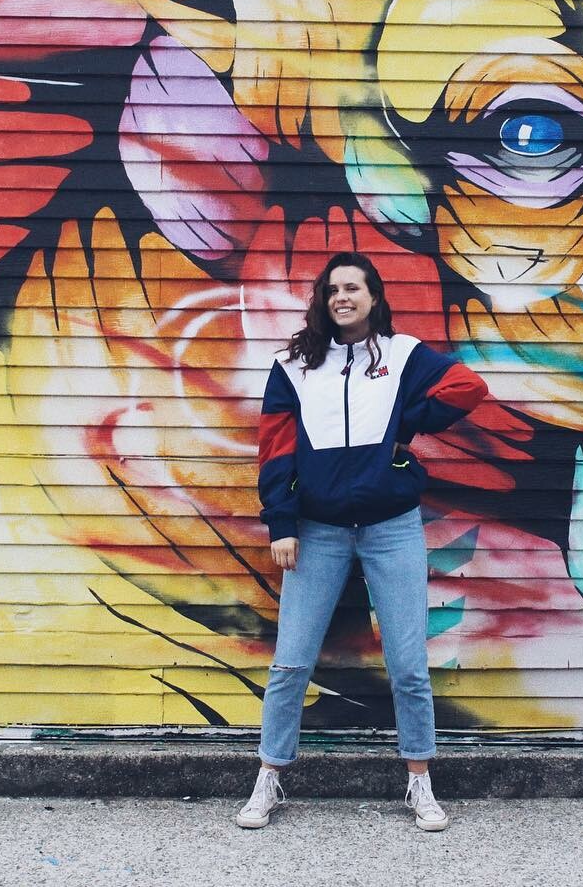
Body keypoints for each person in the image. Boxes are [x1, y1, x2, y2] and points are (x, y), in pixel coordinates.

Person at [236, 251, 489, 830]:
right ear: (323, 301)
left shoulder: (402, 355)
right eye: (332, 290)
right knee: (291, 661)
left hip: (391, 526)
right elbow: (274, 451)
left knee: (408, 664)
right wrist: (282, 524)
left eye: (353, 288)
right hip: (318, 531)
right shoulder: (293, 366)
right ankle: (268, 775)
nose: (342, 298)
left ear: (374, 297)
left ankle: (420, 781)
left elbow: (467, 386)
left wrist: (407, 423)